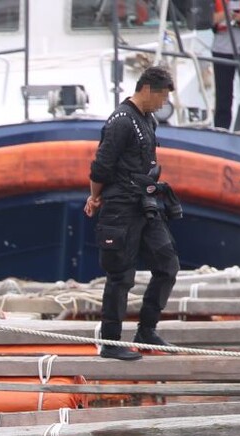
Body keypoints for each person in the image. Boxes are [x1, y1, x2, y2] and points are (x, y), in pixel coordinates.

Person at [84, 65, 180, 361]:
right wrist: (94, 197)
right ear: (147, 89)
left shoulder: (148, 119)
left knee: (167, 265)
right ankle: (111, 342)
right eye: (162, 96)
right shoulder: (121, 121)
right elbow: (101, 166)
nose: (164, 103)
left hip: (145, 204)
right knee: (121, 275)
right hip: (120, 206)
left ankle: (146, 330)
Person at [211, 0, 240, 129]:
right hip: (222, 50)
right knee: (223, 97)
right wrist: (224, 15)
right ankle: (221, 131)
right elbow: (201, 19)